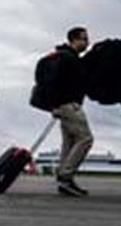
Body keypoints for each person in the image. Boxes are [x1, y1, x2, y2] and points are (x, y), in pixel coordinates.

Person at [51, 26, 93, 197]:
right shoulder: (68, 58)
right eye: (84, 39)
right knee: (85, 139)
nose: (87, 42)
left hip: (64, 105)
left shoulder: (67, 57)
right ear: (74, 40)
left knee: (69, 143)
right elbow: (56, 82)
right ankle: (65, 175)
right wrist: (55, 105)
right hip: (69, 105)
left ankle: (65, 182)